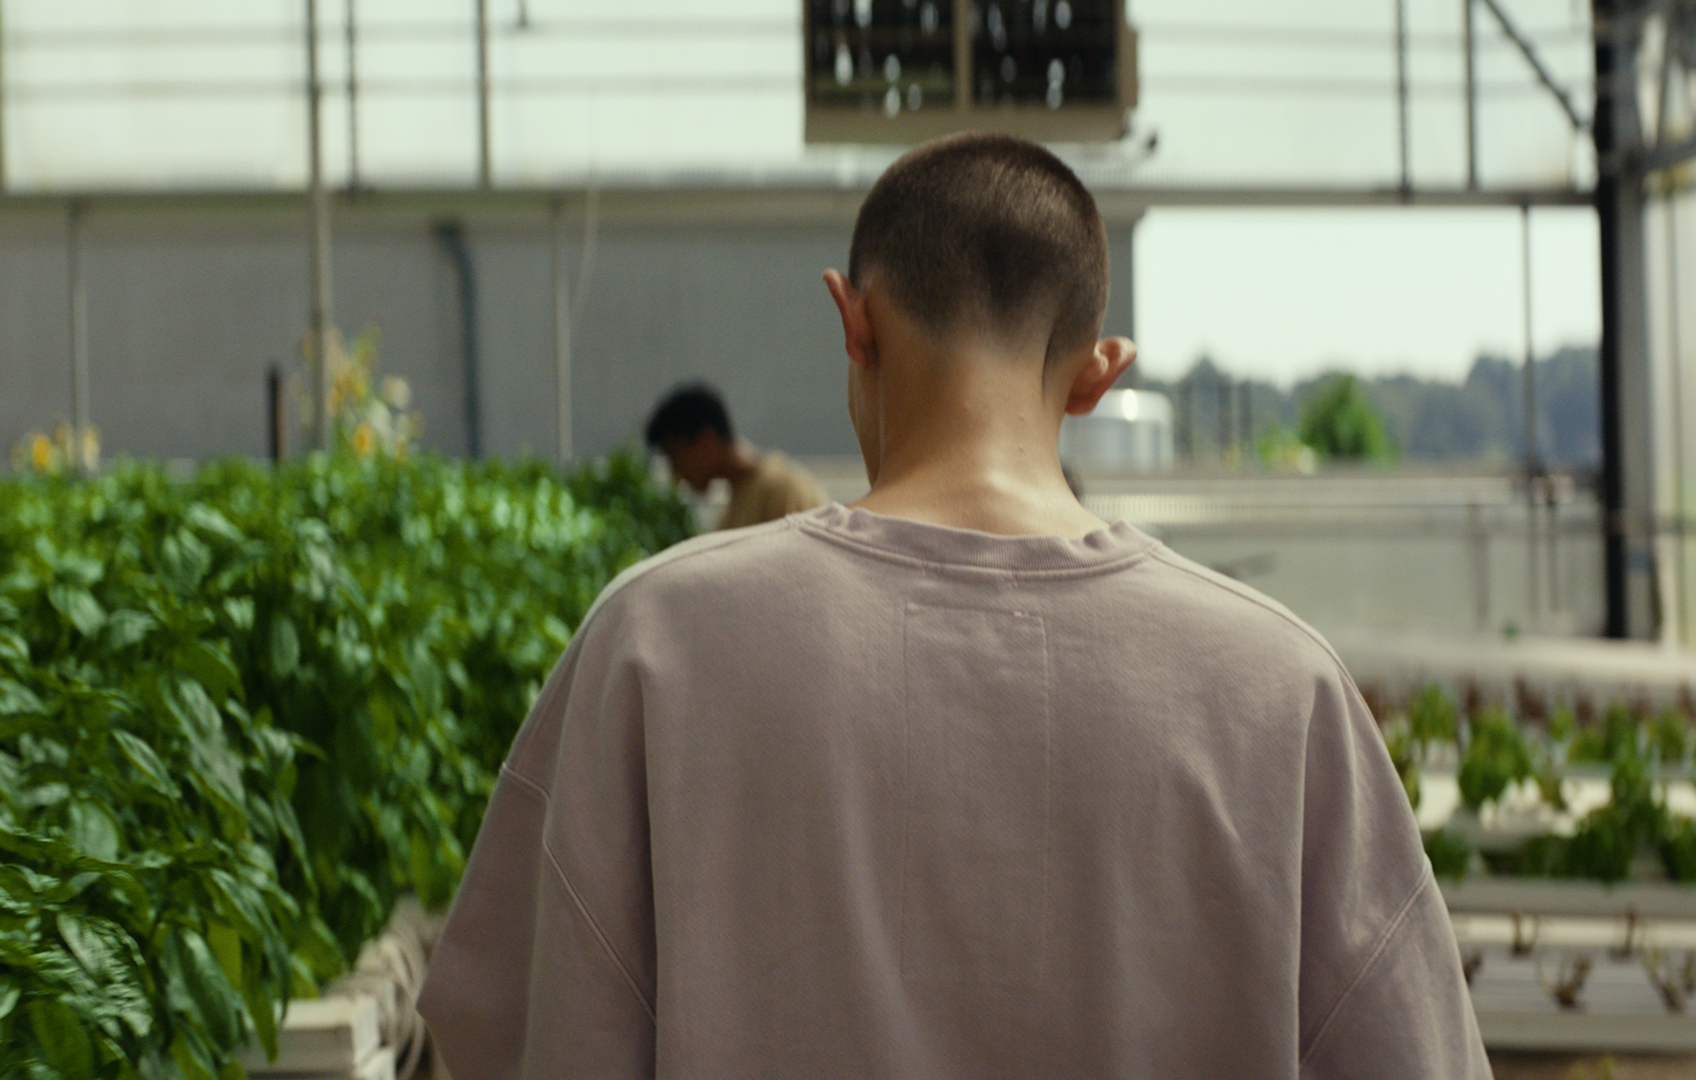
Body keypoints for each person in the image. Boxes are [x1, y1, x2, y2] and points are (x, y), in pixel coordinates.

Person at [418, 132, 1491, 1079]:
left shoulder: (653, 642)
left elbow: (514, 1033)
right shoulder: (1281, 688)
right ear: (1097, 374)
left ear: (854, 319)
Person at [642, 382, 826, 529]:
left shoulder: (783, 489)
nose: (676, 475)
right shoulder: (734, 503)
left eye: (675, 458)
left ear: (706, 442)